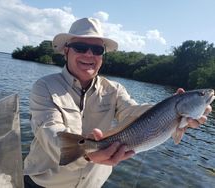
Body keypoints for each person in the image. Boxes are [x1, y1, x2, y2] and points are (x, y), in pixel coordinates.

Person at [23, 18, 212, 188]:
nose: (89, 55)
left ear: (102, 55)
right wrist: (87, 153)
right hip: (43, 184)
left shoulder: (115, 89)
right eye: (80, 47)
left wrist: (171, 109)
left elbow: (133, 111)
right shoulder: (44, 86)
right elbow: (48, 130)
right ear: (66, 51)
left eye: (97, 50)